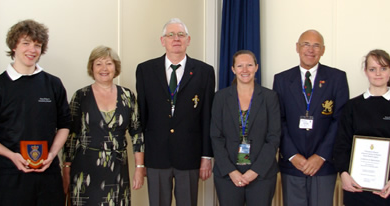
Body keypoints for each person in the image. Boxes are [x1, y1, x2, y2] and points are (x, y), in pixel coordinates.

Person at [0, 19, 70, 206]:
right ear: (13, 47)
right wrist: (11, 156)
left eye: (37, 45)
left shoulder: (53, 84)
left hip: (49, 174)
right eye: (26, 43)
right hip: (11, 175)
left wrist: (52, 154)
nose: (32, 50)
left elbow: (65, 125)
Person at [135, 18, 215, 206]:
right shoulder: (145, 70)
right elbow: (142, 116)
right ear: (163, 41)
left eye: (181, 35)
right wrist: (141, 160)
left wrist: (206, 156)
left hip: (190, 155)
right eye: (170, 35)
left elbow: (207, 117)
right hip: (156, 155)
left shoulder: (204, 71)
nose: (176, 39)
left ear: (188, 40)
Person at [272, 29, 349, 206]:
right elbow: (278, 120)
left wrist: (320, 156)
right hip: (292, 165)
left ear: (323, 50)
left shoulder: (337, 78)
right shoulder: (282, 79)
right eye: (306, 44)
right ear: (297, 48)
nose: (311, 50)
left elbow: (340, 120)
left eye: (316, 46)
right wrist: (292, 155)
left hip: (324, 165)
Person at [62, 46, 145, 205]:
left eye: (109, 63)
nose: (104, 68)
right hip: (85, 170)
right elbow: (71, 135)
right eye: (98, 64)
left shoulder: (127, 96)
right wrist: (66, 166)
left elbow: (137, 133)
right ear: (91, 68)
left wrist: (140, 167)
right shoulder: (81, 96)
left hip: (117, 169)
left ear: (116, 67)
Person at [332, 49, 390, 206]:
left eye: (383, 68)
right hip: (355, 187)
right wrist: (343, 174)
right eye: (372, 69)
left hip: (386, 188)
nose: (378, 73)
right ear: (365, 72)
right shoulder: (352, 106)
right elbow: (341, 143)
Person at [210, 50, 280, 206]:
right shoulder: (220, 98)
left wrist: (255, 171)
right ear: (233, 69)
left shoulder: (270, 97)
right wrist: (231, 171)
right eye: (240, 66)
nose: (245, 70)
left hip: (262, 175)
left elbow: (274, 137)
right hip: (228, 175)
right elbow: (216, 137)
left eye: (249, 65)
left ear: (256, 67)